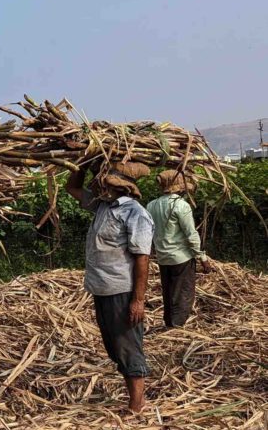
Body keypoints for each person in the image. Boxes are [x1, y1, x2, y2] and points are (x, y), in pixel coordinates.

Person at [65, 162, 155, 414]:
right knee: (114, 346)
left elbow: (142, 258)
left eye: (104, 182)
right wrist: (81, 161)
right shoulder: (102, 205)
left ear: (119, 186)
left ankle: (137, 405)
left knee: (127, 346)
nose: (99, 185)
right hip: (101, 288)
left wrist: (138, 300)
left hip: (121, 290)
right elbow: (72, 187)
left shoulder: (135, 213)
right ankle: (134, 399)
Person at [146, 170, 213, 329]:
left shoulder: (151, 205)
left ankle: (169, 323)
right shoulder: (181, 205)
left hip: (163, 257)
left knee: (168, 293)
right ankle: (177, 327)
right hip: (181, 258)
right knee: (183, 294)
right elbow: (191, 234)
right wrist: (202, 258)